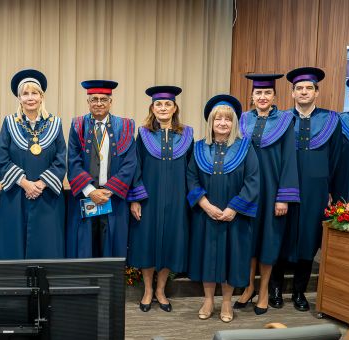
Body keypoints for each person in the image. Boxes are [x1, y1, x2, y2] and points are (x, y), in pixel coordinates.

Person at [273, 67, 341, 311]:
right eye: (299, 88)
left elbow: (336, 157)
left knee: (309, 238)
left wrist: (330, 188)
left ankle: (300, 292)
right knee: (282, 235)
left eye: (308, 88)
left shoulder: (331, 120)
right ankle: (276, 288)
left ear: (316, 92)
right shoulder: (280, 120)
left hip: (316, 188)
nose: (303, 92)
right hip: (285, 186)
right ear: (292, 93)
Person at [187, 95, 259, 322]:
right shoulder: (199, 148)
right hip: (206, 215)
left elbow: (253, 180)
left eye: (228, 120)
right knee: (207, 257)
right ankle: (208, 299)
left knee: (231, 258)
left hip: (234, 217)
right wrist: (205, 204)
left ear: (234, 122)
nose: (222, 123)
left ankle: (227, 302)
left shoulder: (246, 148)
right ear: (211, 122)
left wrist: (234, 208)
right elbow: (191, 178)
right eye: (218, 119)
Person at [234, 74, 298, 315]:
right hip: (247, 190)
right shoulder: (242, 120)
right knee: (249, 240)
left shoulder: (285, 120)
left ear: (274, 97)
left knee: (268, 241)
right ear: (252, 97)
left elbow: (290, 160)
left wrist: (283, 196)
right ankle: (248, 287)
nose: (262, 97)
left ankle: (263, 292)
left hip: (272, 189)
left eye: (267, 93)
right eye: (258, 93)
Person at [126, 86, 190, 313]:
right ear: (152, 108)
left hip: (177, 201)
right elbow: (135, 167)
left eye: (167, 104)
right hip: (149, 199)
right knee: (148, 243)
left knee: (169, 244)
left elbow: (191, 170)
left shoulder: (187, 135)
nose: (163, 108)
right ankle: (148, 291)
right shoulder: (143, 135)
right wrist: (135, 199)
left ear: (175, 108)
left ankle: (161, 290)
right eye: (159, 104)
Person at [0, 69, 66, 259]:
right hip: (17, 195)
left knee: (47, 245)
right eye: (25, 94)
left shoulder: (55, 123)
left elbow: (61, 159)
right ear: (19, 98)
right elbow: (2, 159)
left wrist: (41, 184)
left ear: (41, 96)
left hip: (47, 196)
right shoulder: (9, 123)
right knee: (14, 244)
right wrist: (26, 183)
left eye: (34, 93)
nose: (30, 98)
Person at [66, 80, 137, 259]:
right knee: (85, 246)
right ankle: (85, 287)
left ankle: (109, 287)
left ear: (110, 102)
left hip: (113, 199)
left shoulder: (125, 126)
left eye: (103, 99)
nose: (99, 103)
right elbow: (73, 162)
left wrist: (108, 191)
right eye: (94, 99)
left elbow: (130, 163)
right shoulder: (78, 125)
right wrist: (91, 191)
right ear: (88, 102)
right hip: (86, 197)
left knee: (112, 247)